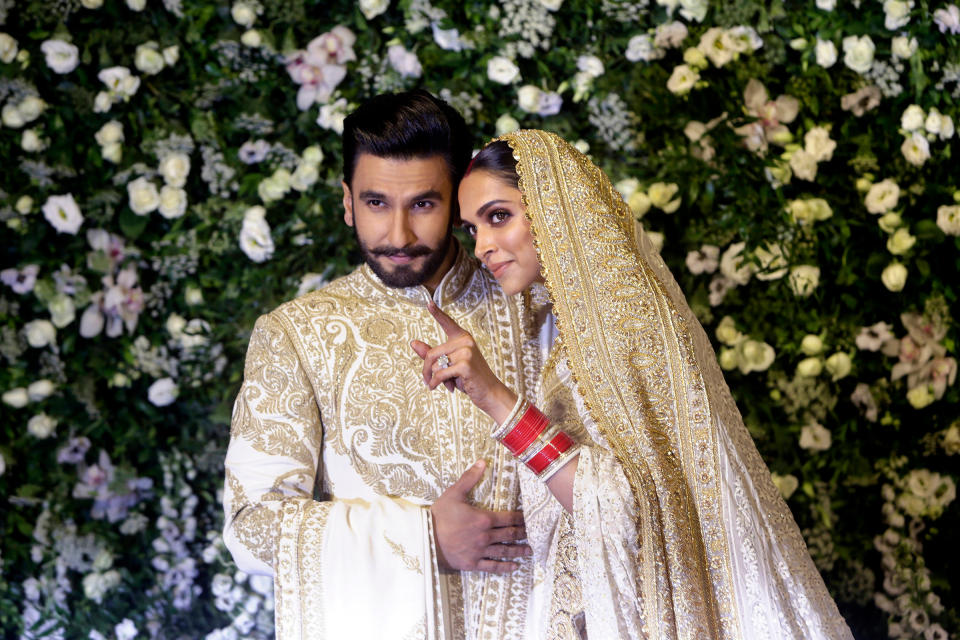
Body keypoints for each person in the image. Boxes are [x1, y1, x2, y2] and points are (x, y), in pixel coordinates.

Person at [412, 129, 855, 639]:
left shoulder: (624, 325)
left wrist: (495, 399)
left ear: (554, 208)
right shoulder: (570, 330)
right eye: (472, 230)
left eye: (498, 217)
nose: (484, 247)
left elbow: (637, 508)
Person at [222, 91, 543, 639]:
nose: (397, 235)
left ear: (458, 198)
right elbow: (251, 527)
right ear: (347, 201)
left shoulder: (538, 305)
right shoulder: (297, 335)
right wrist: (425, 539)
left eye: (423, 204)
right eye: (375, 204)